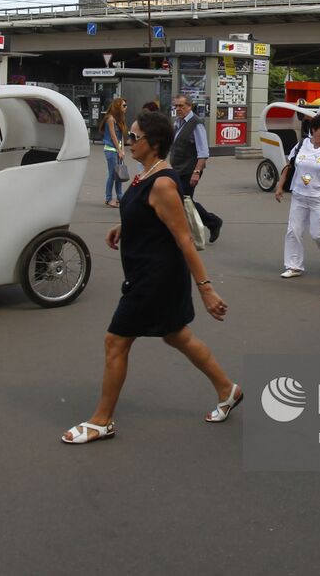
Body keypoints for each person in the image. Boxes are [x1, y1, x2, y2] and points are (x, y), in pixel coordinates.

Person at [62, 110, 236, 445]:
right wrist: (123, 226)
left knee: (116, 341)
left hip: (155, 278)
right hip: (148, 272)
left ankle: (102, 420)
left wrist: (207, 289)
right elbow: (147, 215)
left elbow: (183, 238)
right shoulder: (147, 175)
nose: (130, 140)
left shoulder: (163, 182)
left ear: (153, 144)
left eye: (135, 137)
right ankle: (228, 390)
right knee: (176, 336)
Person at [275, 113, 320, 279]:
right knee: (293, 231)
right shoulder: (302, 144)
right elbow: (289, 166)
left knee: (319, 234)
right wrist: (280, 186)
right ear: (313, 130)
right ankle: (294, 266)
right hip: (299, 195)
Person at [168, 96, 223, 243]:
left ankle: (211, 222)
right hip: (178, 168)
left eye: (181, 106)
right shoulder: (178, 122)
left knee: (184, 200)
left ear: (189, 106)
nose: (178, 109)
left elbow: (203, 153)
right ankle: (211, 222)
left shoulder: (196, 124)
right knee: (183, 200)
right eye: (176, 106)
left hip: (190, 170)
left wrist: (196, 173)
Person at [100, 97, 127, 207]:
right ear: (117, 106)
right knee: (112, 174)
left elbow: (121, 137)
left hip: (117, 150)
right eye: (124, 105)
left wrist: (122, 150)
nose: (126, 108)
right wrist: (119, 150)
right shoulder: (110, 119)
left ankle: (120, 197)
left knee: (119, 175)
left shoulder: (120, 118)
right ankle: (108, 198)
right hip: (111, 150)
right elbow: (113, 136)